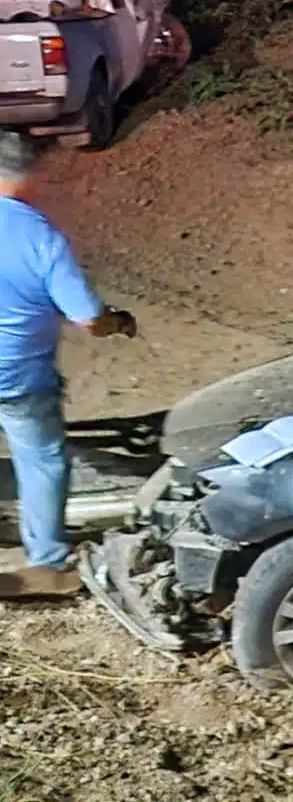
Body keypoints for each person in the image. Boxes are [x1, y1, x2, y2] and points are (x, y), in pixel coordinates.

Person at [0, 132, 136, 598]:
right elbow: (87, 318)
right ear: (30, 177)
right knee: (40, 463)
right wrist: (117, 321)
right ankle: (46, 563)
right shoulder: (39, 236)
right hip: (19, 376)